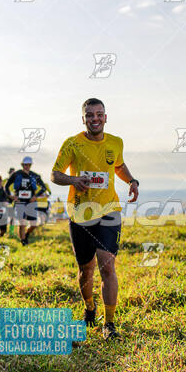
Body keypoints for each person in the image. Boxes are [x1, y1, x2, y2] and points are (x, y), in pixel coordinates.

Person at [51, 98, 139, 340]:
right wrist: (73, 180)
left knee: (108, 267)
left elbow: (118, 165)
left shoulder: (116, 142)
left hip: (109, 210)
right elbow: (55, 174)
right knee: (85, 271)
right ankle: (90, 309)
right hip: (80, 213)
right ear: (84, 119)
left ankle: (109, 324)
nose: (95, 119)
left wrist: (131, 181)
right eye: (90, 115)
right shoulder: (72, 144)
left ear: (106, 117)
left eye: (99, 114)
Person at [5, 157, 46, 245]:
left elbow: (43, 188)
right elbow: (6, 186)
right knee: (22, 223)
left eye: (29, 165)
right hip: (20, 201)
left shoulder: (35, 175)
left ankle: (26, 234)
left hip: (31, 202)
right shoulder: (16, 174)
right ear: (22, 164)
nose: (27, 166)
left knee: (34, 224)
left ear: (31, 165)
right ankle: (23, 242)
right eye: (25, 165)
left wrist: (36, 196)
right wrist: (11, 196)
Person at [3, 168, 15, 235]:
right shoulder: (4, 181)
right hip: (5, 201)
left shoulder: (16, 182)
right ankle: (3, 231)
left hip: (12, 202)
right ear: (9, 173)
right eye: (11, 173)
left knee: (12, 217)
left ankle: (11, 232)